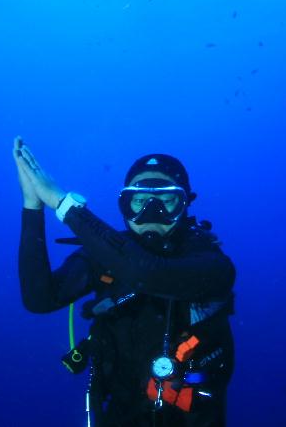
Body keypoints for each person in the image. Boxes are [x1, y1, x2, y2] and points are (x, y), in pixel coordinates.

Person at [15, 136, 236, 426]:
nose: (151, 213)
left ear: (185, 205)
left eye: (167, 201)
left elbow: (148, 273)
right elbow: (39, 298)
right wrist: (32, 207)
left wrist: (63, 204)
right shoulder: (103, 256)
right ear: (125, 204)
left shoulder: (210, 263)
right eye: (140, 201)